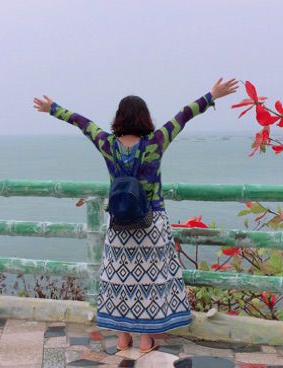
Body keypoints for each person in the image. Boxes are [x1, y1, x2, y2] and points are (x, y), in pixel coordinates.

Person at [34, 78, 238, 352]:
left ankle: (122, 338)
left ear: (119, 118)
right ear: (145, 118)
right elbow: (183, 116)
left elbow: (82, 123)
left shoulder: (107, 144)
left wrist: (52, 108)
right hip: (152, 222)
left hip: (119, 223)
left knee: (121, 282)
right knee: (150, 282)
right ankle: (145, 340)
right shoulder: (156, 141)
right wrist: (211, 95)